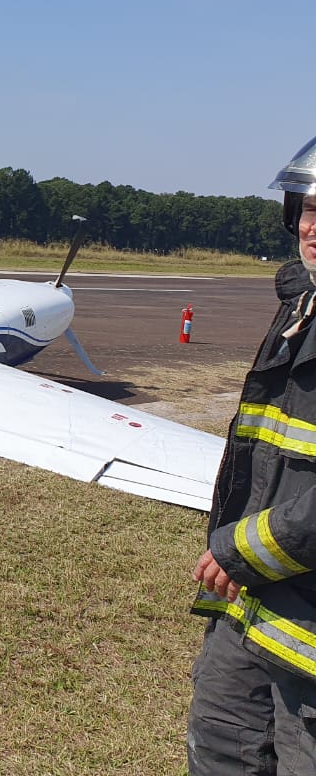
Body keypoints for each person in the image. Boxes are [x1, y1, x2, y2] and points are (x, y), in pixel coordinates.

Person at [187, 136, 316, 775]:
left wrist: (239, 550)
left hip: (305, 626)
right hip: (252, 602)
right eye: (308, 209)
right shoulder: (302, 305)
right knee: (219, 748)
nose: (315, 229)